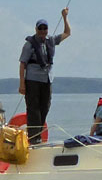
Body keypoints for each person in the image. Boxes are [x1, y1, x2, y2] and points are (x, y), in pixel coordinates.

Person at [18, 8, 71, 143]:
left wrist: (65, 17)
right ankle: (33, 137)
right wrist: (22, 84)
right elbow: (22, 64)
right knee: (33, 107)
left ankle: (38, 134)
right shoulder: (29, 44)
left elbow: (67, 33)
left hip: (47, 80)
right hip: (32, 80)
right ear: (36, 29)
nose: (42, 31)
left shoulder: (51, 40)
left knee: (45, 106)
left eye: (44, 28)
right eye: (40, 28)